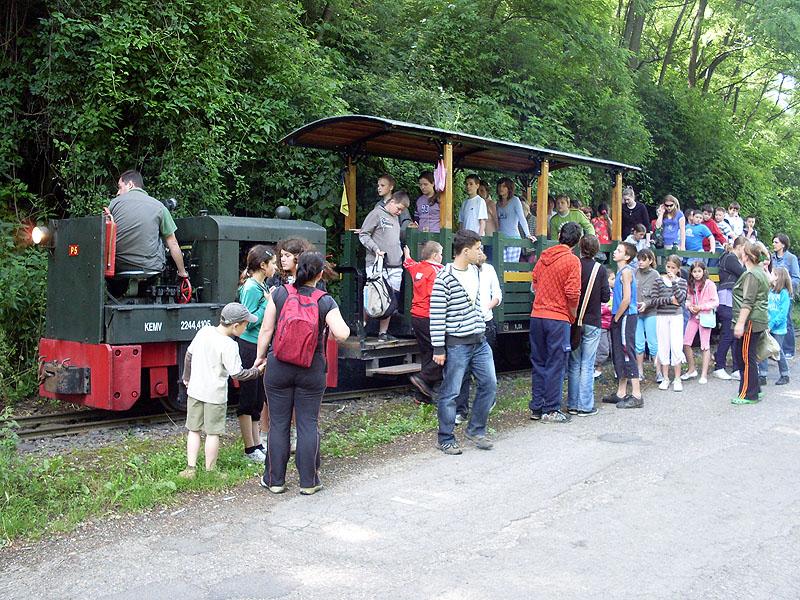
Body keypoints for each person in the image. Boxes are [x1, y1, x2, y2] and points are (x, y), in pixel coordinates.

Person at [255, 252, 350, 494]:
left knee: (278, 423)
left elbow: (266, 330)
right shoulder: (325, 300)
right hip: (311, 368)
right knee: (308, 423)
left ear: (297, 270)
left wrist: (260, 357)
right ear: (319, 274)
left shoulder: (279, 294)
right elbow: (342, 333)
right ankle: (309, 482)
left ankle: (275, 480)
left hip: (279, 367)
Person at [178, 303, 265, 479]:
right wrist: (257, 372)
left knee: (193, 430)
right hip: (214, 396)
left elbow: (189, 355)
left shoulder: (205, 331)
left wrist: (186, 377)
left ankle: (190, 469)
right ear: (235, 326)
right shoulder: (229, 345)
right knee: (212, 433)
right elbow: (237, 374)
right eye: (246, 324)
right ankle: (211, 471)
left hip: (195, 390)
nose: (247, 327)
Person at [430, 230, 497, 454]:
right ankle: (445, 438)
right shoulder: (444, 277)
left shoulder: (477, 272)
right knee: (451, 392)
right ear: (465, 251)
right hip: (457, 343)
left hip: (479, 340)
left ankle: (476, 429)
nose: (481, 252)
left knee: (489, 384)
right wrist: (438, 348)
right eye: (478, 248)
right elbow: (437, 315)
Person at [529, 222, 582, 423]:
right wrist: (572, 314)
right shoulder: (572, 261)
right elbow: (572, 292)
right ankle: (551, 409)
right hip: (558, 317)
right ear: (576, 241)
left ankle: (537, 407)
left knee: (539, 362)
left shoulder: (544, 256)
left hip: (537, 315)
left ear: (560, 236)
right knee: (556, 364)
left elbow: (534, 281)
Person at [236, 245, 277, 462]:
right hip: (249, 346)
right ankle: (249, 448)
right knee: (248, 396)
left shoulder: (261, 286)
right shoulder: (251, 288)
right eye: (273, 263)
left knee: (258, 396)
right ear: (263, 265)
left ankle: (257, 444)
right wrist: (268, 305)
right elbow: (247, 320)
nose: (276, 267)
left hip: (259, 346)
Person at [108, 169, 189, 278]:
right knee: (161, 238)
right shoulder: (159, 207)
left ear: (130, 185)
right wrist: (182, 272)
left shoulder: (114, 204)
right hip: (150, 267)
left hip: (118, 267)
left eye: (120, 187)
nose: (118, 192)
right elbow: (173, 244)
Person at [454, 247, 502, 423]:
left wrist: (487, 306)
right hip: (466, 325)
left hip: (485, 323)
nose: (480, 254)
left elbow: (497, 294)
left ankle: (486, 402)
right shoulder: (462, 271)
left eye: (481, 251)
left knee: (486, 370)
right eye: (477, 250)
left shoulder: (489, 270)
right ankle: (461, 410)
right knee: (463, 370)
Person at [566, 235, 609, 417]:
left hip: (574, 321)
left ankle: (572, 404)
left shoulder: (574, 264)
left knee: (574, 364)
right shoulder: (600, 269)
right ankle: (585, 405)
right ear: (596, 250)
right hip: (592, 321)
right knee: (588, 364)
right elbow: (605, 297)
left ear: (580, 247)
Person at [359, 190, 410, 341]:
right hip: (377, 264)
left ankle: (383, 333)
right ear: (392, 201)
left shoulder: (396, 218)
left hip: (395, 265)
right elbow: (363, 234)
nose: (400, 212)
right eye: (399, 208)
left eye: (402, 210)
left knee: (391, 300)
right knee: (373, 297)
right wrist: (376, 249)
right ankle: (363, 327)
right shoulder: (376, 213)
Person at [601, 242, 643, 408]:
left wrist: (617, 317)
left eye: (619, 251)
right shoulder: (620, 272)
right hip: (620, 315)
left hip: (626, 315)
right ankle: (621, 392)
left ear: (627, 257)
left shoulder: (626, 272)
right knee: (619, 352)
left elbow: (626, 299)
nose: (615, 252)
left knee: (627, 350)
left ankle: (637, 394)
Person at [403, 241, 444, 401]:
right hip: (430, 317)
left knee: (427, 353)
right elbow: (436, 295)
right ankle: (422, 378)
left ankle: (422, 396)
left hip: (416, 317)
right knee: (441, 352)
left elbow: (409, 264)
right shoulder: (437, 271)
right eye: (440, 253)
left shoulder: (418, 268)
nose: (442, 256)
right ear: (435, 255)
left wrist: (407, 256)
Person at [732, 240, 770, 404]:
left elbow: (748, 302)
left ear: (746, 256)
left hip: (750, 321)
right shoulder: (760, 270)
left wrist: (740, 324)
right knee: (748, 356)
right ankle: (756, 389)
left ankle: (748, 394)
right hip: (758, 319)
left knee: (746, 358)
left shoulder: (752, 275)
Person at [653, 255, 688, 390]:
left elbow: (680, 300)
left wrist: (674, 282)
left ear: (678, 269)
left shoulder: (682, 282)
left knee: (676, 345)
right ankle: (665, 377)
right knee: (663, 345)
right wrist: (668, 300)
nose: (670, 270)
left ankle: (677, 378)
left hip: (676, 316)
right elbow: (655, 300)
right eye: (668, 267)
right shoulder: (658, 281)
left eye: (673, 268)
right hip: (662, 315)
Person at [681, 261, 719, 384]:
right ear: (691, 273)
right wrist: (689, 306)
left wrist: (701, 307)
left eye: (699, 271)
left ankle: (704, 374)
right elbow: (686, 300)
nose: (697, 274)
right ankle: (692, 369)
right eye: (694, 271)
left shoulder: (709, 284)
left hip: (705, 317)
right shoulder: (690, 285)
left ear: (703, 272)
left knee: (704, 345)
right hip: (694, 317)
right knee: (686, 343)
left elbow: (715, 302)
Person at [714, 237, 746, 380]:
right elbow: (745, 274)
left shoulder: (733, 258)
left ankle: (736, 368)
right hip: (726, 299)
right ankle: (719, 366)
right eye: (745, 249)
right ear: (739, 247)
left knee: (734, 335)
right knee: (728, 333)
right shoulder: (730, 258)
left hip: (733, 300)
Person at [758, 267, 791, 386]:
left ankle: (785, 374)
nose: (770, 275)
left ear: (778, 277)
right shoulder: (770, 291)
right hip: (767, 325)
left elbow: (783, 314)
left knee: (777, 351)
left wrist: (771, 325)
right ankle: (762, 375)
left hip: (778, 329)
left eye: (773, 274)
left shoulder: (784, 294)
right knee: (764, 349)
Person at [771, 233, 800, 358]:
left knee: (786, 320)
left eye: (776, 242)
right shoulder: (771, 257)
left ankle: (788, 350)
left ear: (783, 244)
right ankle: (773, 349)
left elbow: (796, 278)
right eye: (773, 241)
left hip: (785, 294)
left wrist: (784, 285)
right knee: (773, 318)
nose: (773, 244)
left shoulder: (791, 258)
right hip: (772, 294)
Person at [634, 249, 660, 382]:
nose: (640, 262)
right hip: (637, 312)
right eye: (639, 259)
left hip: (651, 312)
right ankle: (639, 371)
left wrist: (647, 303)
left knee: (653, 343)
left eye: (643, 259)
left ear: (650, 260)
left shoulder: (655, 275)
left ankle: (659, 371)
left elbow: (658, 296)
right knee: (638, 343)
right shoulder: (634, 272)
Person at [496, 177, 535, 262]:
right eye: (499, 186)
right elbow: (497, 222)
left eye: (504, 186)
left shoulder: (515, 200)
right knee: (502, 267)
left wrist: (528, 234)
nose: (501, 188)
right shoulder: (498, 203)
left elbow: (522, 218)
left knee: (512, 268)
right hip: (501, 238)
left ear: (509, 188)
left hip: (514, 238)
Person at [374, 174, 413, 241]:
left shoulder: (400, 202)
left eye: (382, 185)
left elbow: (406, 222)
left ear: (391, 187)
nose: (379, 188)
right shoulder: (378, 205)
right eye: (378, 185)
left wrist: (398, 235)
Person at [594, 271, 615, 378]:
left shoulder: (613, 292)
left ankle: (600, 369)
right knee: (603, 349)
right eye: (612, 279)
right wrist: (609, 309)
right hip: (602, 325)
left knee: (611, 347)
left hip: (610, 325)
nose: (614, 281)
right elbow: (599, 308)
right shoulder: (600, 292)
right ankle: (597, 368)